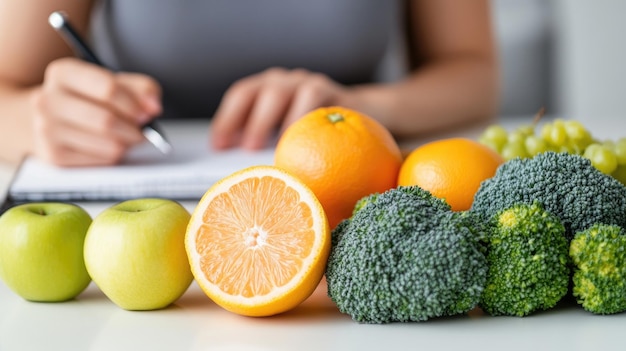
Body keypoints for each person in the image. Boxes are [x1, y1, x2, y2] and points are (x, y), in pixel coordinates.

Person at [0, 0, 498, 167]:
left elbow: (473, 71)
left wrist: (362, 106)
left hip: (350, 194)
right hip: (132, 194)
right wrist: (34, 121)